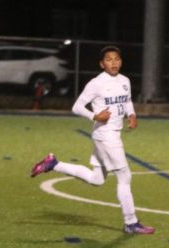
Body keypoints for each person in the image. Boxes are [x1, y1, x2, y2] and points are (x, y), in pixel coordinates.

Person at [30, 45, 154, 235]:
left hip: (109, 135)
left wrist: (132, 114)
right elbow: (77, 107)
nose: (114, 63)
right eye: (109, 60)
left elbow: (127, 100)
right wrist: (95, 116)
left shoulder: (125, 81)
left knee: (97, 179)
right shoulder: (96, 83)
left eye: (117, 59)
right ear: (102, 64)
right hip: (106, 135)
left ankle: (54, 164)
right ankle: (131, 222)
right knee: (125, 177)